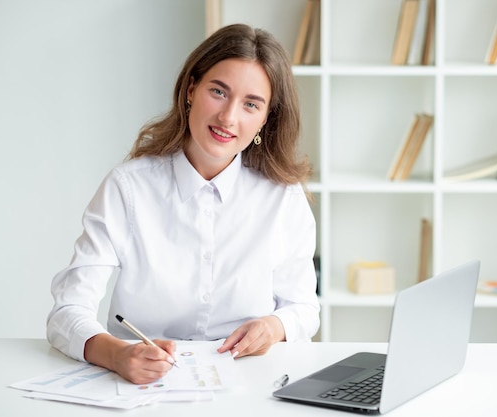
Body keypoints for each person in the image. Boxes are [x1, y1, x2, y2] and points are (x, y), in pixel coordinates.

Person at [47, 23, 320, 385]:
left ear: (265, 119)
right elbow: (67, 312)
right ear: (192, 89)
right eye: (219, 92)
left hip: (248, 384)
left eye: (251, 104)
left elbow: (304, 308)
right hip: (141, 386)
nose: (228, 117)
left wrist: (274, 326)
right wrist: (118, 355)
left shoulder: (282, 197)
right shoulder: (128, 188)